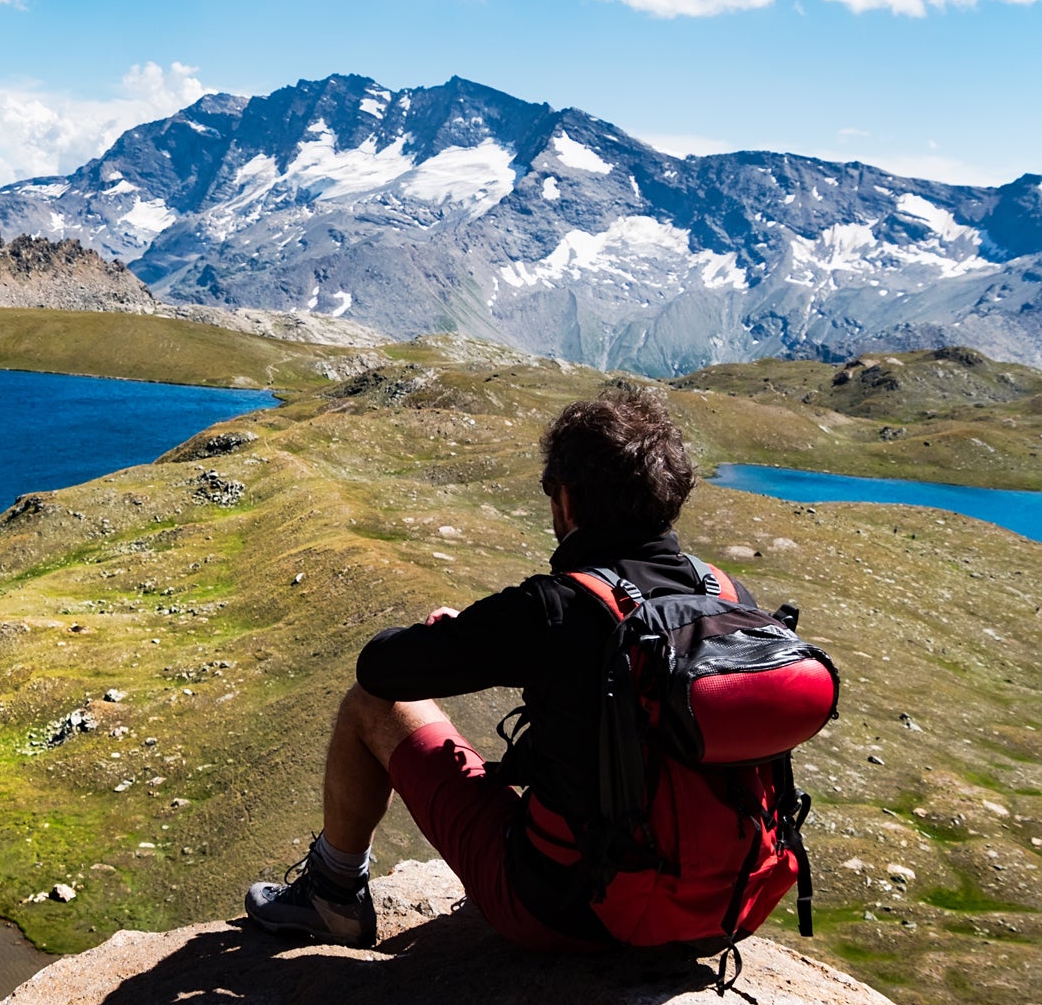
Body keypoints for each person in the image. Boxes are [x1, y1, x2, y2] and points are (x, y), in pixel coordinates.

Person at [244, 383, 770, 952]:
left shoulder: (553, 609)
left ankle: (333, 896)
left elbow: (381, 669)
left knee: (371, 706)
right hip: (721, 912)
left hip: (565, 911)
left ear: (568, 499)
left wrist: (464, 639)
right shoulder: (726, 594)